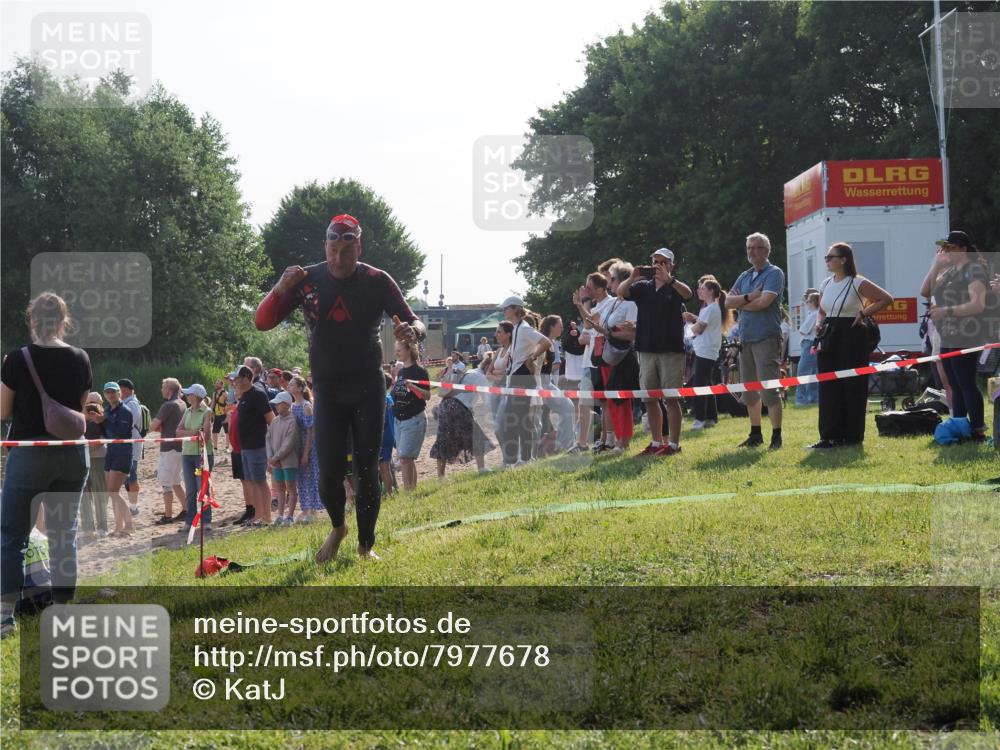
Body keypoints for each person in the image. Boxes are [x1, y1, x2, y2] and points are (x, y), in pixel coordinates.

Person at [254, 213, 424, 562]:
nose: (338, 259)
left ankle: (366, 545)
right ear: (325, 247)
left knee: (367, 468)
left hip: (367, 387)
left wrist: (414, 332)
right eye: (332, 250)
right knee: (329, 472)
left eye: (347, 252)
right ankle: (337, 527)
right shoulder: (307, 280)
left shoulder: (377, 280)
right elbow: (262, 322)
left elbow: (413, 319)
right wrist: (280, 289)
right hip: (328, 389)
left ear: (358, 247)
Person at [1, 293, 92, 636]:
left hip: (30, 454)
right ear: (64, 321)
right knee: (64, 534)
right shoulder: (81, 358)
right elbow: (78, 409)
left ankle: (5, 617)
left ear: (32, 320)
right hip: (72, 454)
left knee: (12, 537)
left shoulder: (16, 359)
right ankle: (63, 608)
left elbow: (2, 412)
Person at [810, 243, 894, 448]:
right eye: (826, 257)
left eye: (831, 257)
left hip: (852, 334)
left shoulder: (857, 282)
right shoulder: (826, 283)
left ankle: (852, 436)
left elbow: (886, 299)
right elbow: (822, 310)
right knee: (828, 385)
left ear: (844, 259)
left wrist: (864, 313)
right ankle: (829, 436)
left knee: (852, 385)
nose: (827, 260)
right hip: (829, 334)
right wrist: (819, 323)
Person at [618, 248, 693, 455]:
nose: (658, 266)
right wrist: (633, 276)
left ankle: (675, 444)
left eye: (662, 262)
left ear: (671, 265)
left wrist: (670, 280)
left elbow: (689, 294)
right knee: (649, 398)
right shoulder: (643, 287)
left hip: (671, 350)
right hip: (646, 350)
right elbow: (621, 292)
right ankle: (656, 442)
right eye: (655, 262)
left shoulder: (675, 287)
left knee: (672, 398)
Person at [921, 230, 992, 441]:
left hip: (968, 333)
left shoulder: (974, 270)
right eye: (943, 248)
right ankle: (961, 426)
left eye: (949, 248)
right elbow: (925, 291)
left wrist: (947, 310)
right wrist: (936, 264)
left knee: (966, 382)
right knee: (953, 382)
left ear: (963, 249)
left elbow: (977, 305)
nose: (945, 252)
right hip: (948, 334)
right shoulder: (950, 271)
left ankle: (978, 429)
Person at [725, 233, 786, 449]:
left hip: (766, 338)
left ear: (766, 251)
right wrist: (750, 297)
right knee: (749, 390)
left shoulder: (774, 273)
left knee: (769, 389)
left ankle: (776, 436)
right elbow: (726, 301)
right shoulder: (745, 275)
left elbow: (765, 303)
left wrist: (741, 302)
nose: (751, 251)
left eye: (756, 247)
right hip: (746, 340)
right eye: (748, 247)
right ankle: (755, 434)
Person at [587, 264, 640, 453]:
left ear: (623, 281)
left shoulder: (631, 303)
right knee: (611, 399)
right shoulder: (616, 303)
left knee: (621, 399)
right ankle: (617, 438)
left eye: (612, 279)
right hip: (608, 355)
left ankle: (623, 441)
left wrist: (609, 333)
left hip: (623, 356)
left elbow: (632, 333)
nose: (609, 284)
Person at [497, 296, 550, 467]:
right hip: (516, 377)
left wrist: (532, 356)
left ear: (514, 309)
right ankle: (520, 459)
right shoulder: (517, 328)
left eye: (506, 308)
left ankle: (524, 459)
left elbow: (546, 342)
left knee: (518, 421)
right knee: (516, 421)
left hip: (522, 378)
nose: (504, 311)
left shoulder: (524, 328)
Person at [571, 274, 616, 453]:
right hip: (590, 360)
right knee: (588, 402)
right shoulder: (598, 305)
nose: (586, 290)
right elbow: (589, 325)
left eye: (589, 287)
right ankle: (588, 442)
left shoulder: (610, 302)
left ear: (598, 289)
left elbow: (589, 324)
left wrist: (581, 304)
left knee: (604, 401)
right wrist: (581, 304)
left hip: (602, 359)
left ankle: (607, 438)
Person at [430, 359, 496, 477]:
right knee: (477, 435)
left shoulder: (469, 371)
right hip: (459, 407)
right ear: (487, 367)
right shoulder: (481, 377)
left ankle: (441, 476)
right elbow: (488, 401)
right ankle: (482, 469)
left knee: (443, 440)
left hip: (444, 405)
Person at [683, 278, 734, 428]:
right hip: (706, 350)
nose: (699, 291)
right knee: (707, 384)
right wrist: (695, 319)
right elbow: (703, 324)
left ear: (711, 291)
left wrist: (689, 326)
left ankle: (700, 419)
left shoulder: (711, 308)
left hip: (705, 351)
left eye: (703, 289)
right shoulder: (711, 308)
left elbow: (699, 329)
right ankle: (711, 417)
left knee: (699, 385)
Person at [232, 365, 274, 526]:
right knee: (252, 481)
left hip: (257, 446)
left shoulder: (258, 394)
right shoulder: (244, 396)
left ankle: (267, 518)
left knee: (260, 481)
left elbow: (270, 419)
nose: (235, 382)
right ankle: (258, 516)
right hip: (246, 447)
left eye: (237, 379)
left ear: (246, 378)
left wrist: (271, 446)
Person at [390, 340, 430, 490]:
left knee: (405, 458)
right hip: (399, 421)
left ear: (408, 350)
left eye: (399, 350)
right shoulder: (401, 372)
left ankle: (408, 492)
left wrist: (412, 386)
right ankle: (412, 490)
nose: (396, 353)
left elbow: (427, 396)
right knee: (407, 459)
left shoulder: (420, 371)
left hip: (414, 419)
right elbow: (397, 393)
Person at [174, 383, 214, 532]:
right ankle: (189, 521)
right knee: (190, 490)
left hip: (202, 455)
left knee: (202, 488)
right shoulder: (188, 410)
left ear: (195, 396)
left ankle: (206, 520)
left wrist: (192, 434)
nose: (187, 396)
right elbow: (178, 431)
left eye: (189, 394)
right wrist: (193, 434)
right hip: (188, 454)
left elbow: (206, 435)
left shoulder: (207, 411)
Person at [149, 378, 187, 524]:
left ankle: (168, 515)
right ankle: (185, 509)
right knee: (176, 481)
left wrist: (153, 424)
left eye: (163, 387)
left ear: (169, 390)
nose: (161, 390)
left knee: (166, 483)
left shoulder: (168, 405)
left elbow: (153, 426)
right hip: (179, 447)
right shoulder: (183, 403)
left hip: (169, 447)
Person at [101, 382, 135, 537]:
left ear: (119, 393)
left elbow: (120, 432)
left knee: (113, 492)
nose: (110, 395)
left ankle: (128, 525)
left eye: (113, 392)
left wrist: (104, 419)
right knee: (112, 492)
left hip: (123, 452)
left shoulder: (125, 411)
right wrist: (99, 421)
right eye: (107, 392)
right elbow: (106, 433)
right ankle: (118, 526)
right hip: (111, 452)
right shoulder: (107, 410)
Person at [539, 315, 576, 452]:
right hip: (541, 383)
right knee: (566, 407)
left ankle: (563, 443)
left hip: (547, 381)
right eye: (559, 325)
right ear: (552, 327)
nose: (562, 328)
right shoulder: (544, 341)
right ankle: (563, 443)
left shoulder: (552, 342)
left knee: (567, 406)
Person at [288, 375, 322, 522]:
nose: (289, 386)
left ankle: (312, 509)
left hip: (307, 445)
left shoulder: (306, 406)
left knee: (310, 475)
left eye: (292, 384)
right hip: (296, 445)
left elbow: (310, 431)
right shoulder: (292, 405)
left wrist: (306, 453)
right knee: (300, 478)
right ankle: (305, 508)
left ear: (301, 388)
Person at [78, 392, 109, 542]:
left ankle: (102, 526)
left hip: (98, 458)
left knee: (99, 493)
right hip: (82, 460)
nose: (93, 406)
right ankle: (87, 527)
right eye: (90, 402)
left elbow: (102, 440)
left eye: (97, 403)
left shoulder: (101, 420)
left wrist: (87, 448)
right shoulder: (80, 419)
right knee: (84, 494)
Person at [266, 391, 300, 525]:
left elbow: (289, 443)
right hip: (275, 461)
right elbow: (268, 439)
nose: (276, 407)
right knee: (279, 487)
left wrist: (276, 457)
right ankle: (280, 515)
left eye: (278, 404)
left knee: (290, 487)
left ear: (286, 404)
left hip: (288, 461)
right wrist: (270, 457)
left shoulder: (292, 421)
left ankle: (290, 516)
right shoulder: (274, 421)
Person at [226, 369, 253, 525]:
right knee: (244, 480)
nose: (234, 388)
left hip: (245, 448)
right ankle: (248, 508)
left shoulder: (245, 403)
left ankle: (253, 510)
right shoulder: (237, 406)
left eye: (235, 385)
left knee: (249, 480)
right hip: (236, 448)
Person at [117, 378, 143, 517]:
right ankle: (133, 506)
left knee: (132, 476)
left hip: (131, 445)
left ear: (125, 389)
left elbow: (128, 423)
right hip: (126, 445)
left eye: (118, 389)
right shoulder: (126, 402)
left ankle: (134, 506)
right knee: (128, 477)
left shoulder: (132, 403)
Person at [795, 292, 821, 405]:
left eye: (809, 301)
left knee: (803, 371)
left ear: (814, 302)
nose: (807, 303)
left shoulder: (813, 314)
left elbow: (803, 330)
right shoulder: (817, 313)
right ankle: (813, 398)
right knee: (814, 372)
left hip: (809, 344)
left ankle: (801, 399)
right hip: (814, 344)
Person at [378, 372, 398, 496]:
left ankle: (389, 493)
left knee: (384, 467)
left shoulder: (383, 400)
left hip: (384, 436)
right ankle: (390, 491)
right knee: (386, 465)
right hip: (391, 434)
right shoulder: (389, 398)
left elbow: (382, 420)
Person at [211, 380, 229, 451]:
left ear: (222, 385)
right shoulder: (214, 393)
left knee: (227, 431)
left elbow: (229, 402)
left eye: (218, 384)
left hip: (224, 414)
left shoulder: (225, 393)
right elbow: (213, 403)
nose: (216, 385)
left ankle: (227, 446)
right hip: (217, 414)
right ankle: (215, 447)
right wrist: (210, 411)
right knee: (214, 431)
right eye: (216, 383)